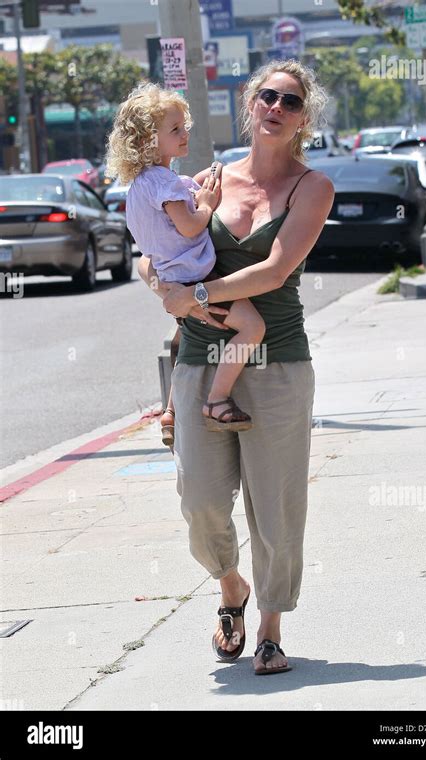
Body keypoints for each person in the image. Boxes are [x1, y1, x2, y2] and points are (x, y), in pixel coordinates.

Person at [138, 60, 334, 674]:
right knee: (198, 499)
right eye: (268, 96)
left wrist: (195, 296)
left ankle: (271, 625)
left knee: (274, 503)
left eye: (291, 102)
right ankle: (231, 587)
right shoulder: (210, 179)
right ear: (250, 105)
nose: (277, 107)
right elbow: (157, 250)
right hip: (200, 359)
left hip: (277, 361)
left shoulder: (313, 188)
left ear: (304, 118)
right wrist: (159, 283)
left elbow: (275, 271)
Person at [105, 82, 265, 449]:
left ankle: (171, 411)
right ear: (147, 141)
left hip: (172, 277)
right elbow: (190, 225)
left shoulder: (141, 185)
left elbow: (165, 219)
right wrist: (206, 203)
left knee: (189, 338)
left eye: (184, 125)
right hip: (197, 278)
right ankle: (218, 399)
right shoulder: (165, 183)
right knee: (252, 328)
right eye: (175, 129)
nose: (184, 133)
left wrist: (194, 187)